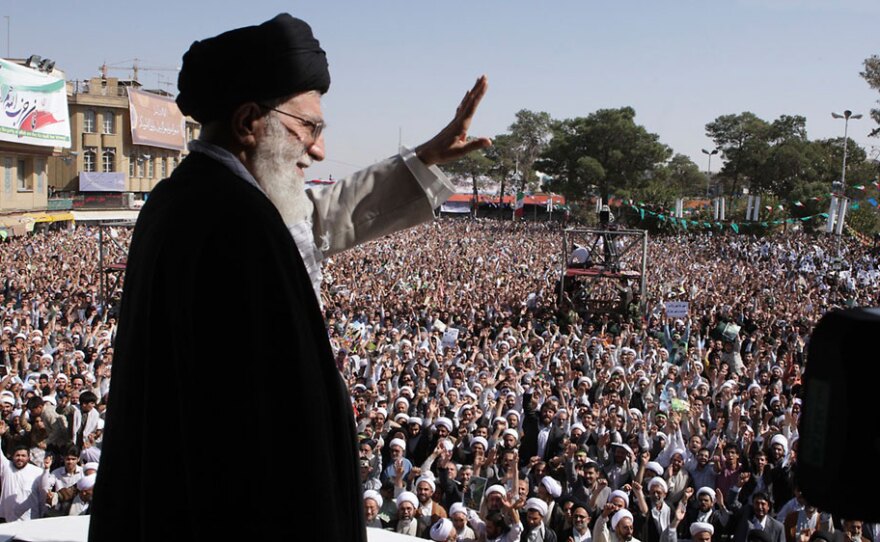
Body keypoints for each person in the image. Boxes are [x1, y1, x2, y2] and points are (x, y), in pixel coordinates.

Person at [88, 13, 490, 542]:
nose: (318, 149)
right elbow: (266, 443)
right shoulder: (235, 226)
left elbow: (316, 218)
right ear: (248, 122)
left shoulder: (199, 198)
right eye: (309, 127)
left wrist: (426, 157)